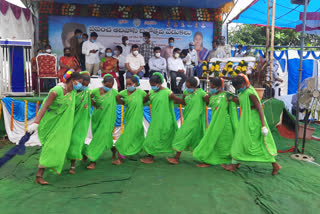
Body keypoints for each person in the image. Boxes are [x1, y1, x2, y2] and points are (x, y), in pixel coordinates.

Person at [27, 71, 83, 185]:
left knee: (59, 145)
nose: (80, 85)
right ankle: (39, 175)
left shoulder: (72, 92)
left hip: (61, 125)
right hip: (49, 123)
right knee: (50, 147)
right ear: (73, 81)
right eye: (80, 82)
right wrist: (36, 122)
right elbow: (45, 106)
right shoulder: (56, 91)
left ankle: (43, 172)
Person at [221, 74, 281, 175]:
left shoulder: (251, 93)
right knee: (240, 141)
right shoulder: (243, 92)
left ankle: (275, 165)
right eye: (237, 89)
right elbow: (241, 102)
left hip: (254, 121)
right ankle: (235, 164)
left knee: (258, 144)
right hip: (246, 120)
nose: (239, 90)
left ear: (244, 83)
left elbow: (259, 108)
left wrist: (263, 126)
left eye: (239, 87)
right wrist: (231, 97)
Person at [193, 78, 238, 167]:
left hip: (225, 123)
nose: (210, 87)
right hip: (214, 122)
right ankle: (209, 160)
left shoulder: (227, 95)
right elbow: (204, 102)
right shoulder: (211, 95)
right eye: (210, 85)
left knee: (226, 143)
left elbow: (240, 102)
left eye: (212, 86)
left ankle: (234, 162)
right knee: (213, 141)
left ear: (218, 86)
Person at [141, 73, 182, 164]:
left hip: (166, 119)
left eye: (154, 85)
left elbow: (176, 100)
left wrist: (187, 102)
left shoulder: (167, 92)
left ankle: (177, 157)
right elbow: (144, 100)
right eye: (151, 85)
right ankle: (150, 156)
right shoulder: (151, 92)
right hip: (155, 119)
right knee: (152, 137)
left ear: (159, 84)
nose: (152, 87)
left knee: (171, 136)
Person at [167, 77, 206, 165]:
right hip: (187, 117)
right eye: (186, 86)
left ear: (195, 86)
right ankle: (205, 159)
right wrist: (173, 98)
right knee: (196, 139)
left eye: (189, 86)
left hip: (196, 119)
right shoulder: (185, 92)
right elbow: (184, 102)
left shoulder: (201, 93)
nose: (187, 88)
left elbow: (208, 102)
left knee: (181, 135)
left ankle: (176, 158)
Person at [83, 74, 118, 170]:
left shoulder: (114, 93)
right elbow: (88, 97)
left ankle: (92, 159)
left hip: (108, 119)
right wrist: (95, 104)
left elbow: (121, 100)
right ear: (103, 83)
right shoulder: (95, 91)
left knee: (99, 138)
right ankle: (114, 149)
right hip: (97, 117)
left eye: (110, 87)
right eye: (107, 86)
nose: (108, 88)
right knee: (103, 137)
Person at [113, 75, 148, 165]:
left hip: (137, 118)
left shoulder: (141, 92)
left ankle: (121, 157)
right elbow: (117, 97)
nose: (128, 86)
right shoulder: (124, 92)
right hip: (128, 117)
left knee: (128, 136)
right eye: (127, 84)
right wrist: (123, 103)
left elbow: (146, 99)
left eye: (130, 84)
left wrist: (140, 103)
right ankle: (133, 151)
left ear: (135, 84)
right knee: (132, 135)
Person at [66, 72, 91, 174]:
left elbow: (93, 100)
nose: (83, 86)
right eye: (82, 84)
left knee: (75, 141)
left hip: (82, 122)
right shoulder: (71, 93)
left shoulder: (88, 93)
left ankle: (72, 166)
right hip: (69, 121)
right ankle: (84, 153)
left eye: (86, 85)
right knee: (73, 141)